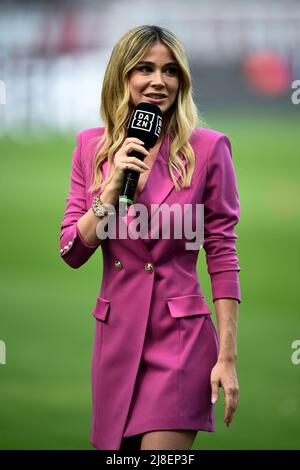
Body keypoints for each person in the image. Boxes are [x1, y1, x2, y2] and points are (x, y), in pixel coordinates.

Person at [59, 25, 241, 451]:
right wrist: (110, 189)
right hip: (116, 343)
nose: (159, 81)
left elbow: (222, 253)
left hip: (181, 343)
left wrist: (227, 357)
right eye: (145, 68)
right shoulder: (90, 149)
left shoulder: (209, 150)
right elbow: (71, 251)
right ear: (121, 76)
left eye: (170, 71)